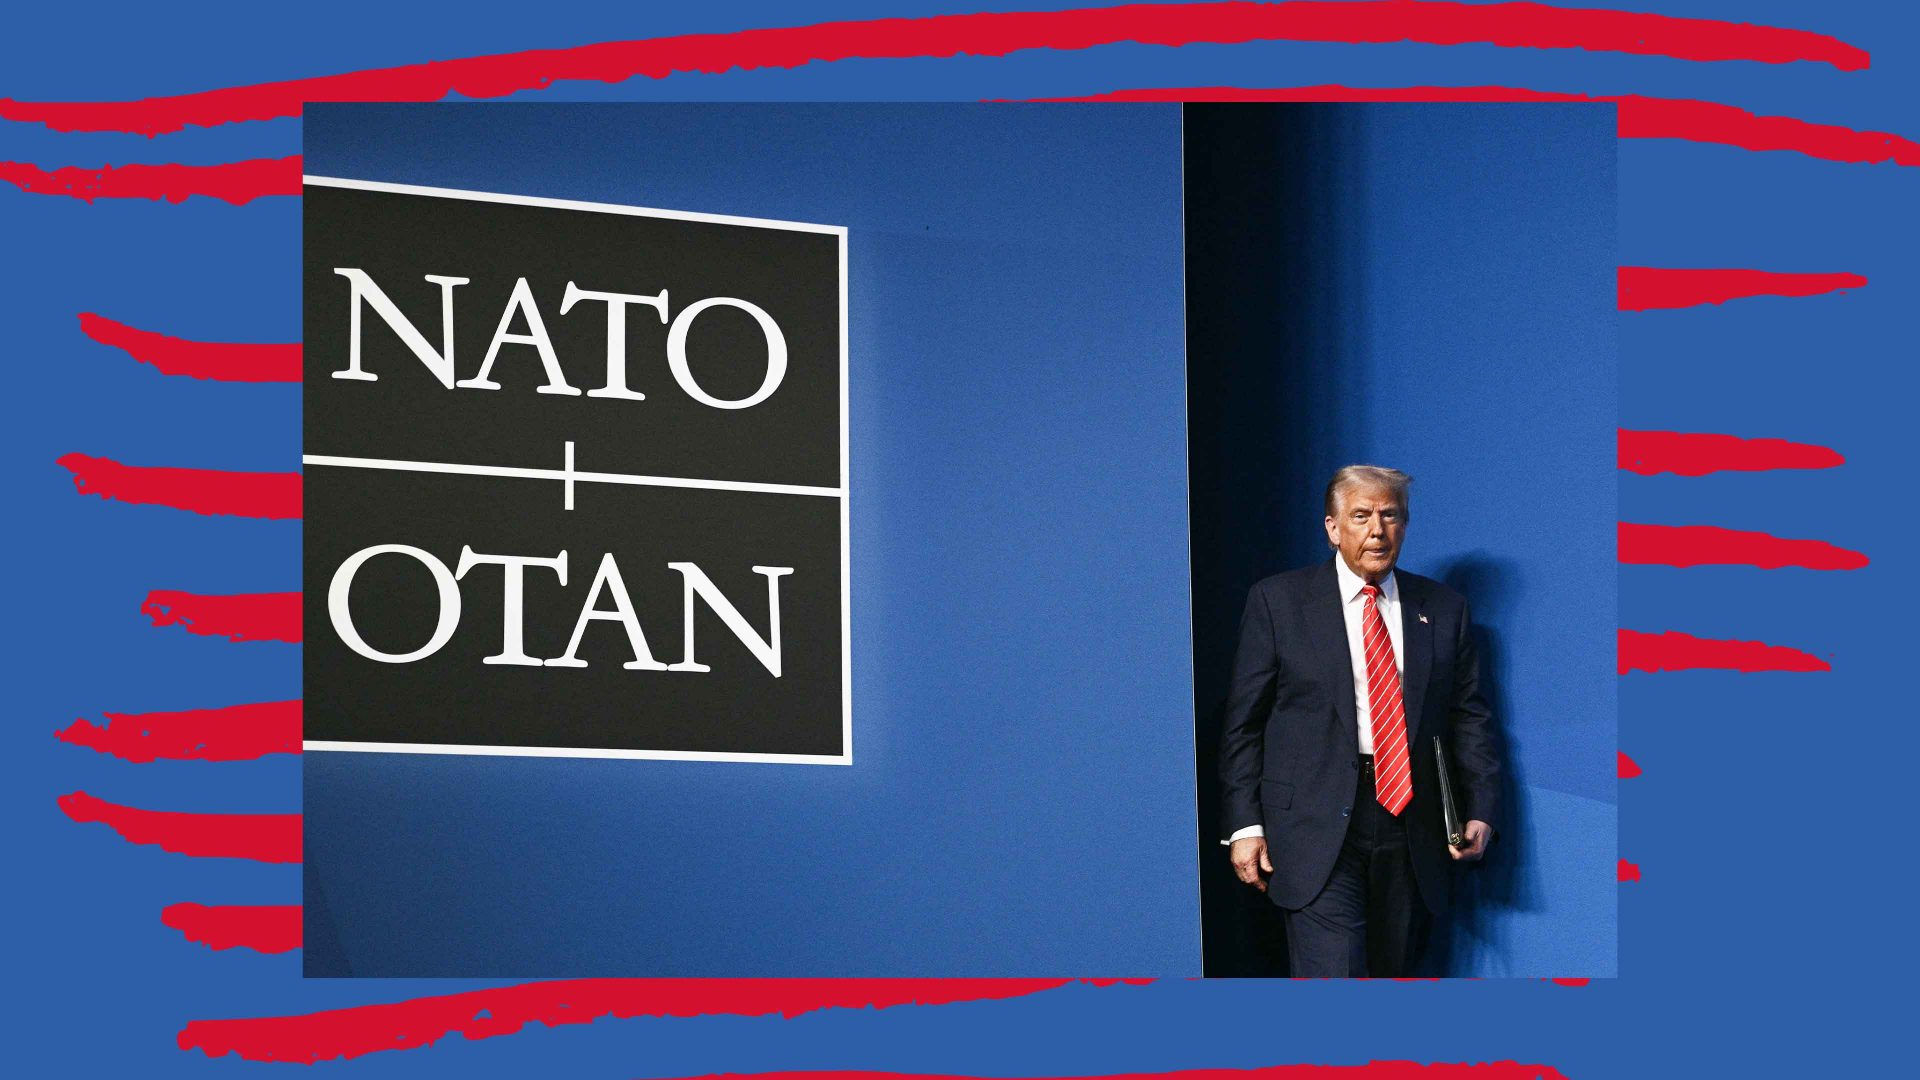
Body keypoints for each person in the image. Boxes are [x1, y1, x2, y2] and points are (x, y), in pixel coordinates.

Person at [1218, 465, 1502, 977]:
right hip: (1312, 826)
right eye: (1362, 515)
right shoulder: (1278, 601)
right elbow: (1243, 723)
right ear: (1332, 528)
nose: (1377, 530)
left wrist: (1479, 807)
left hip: (1411, 826)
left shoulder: (1443, 608)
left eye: (1390, 515)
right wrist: (1245, 823)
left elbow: (1468, 717)